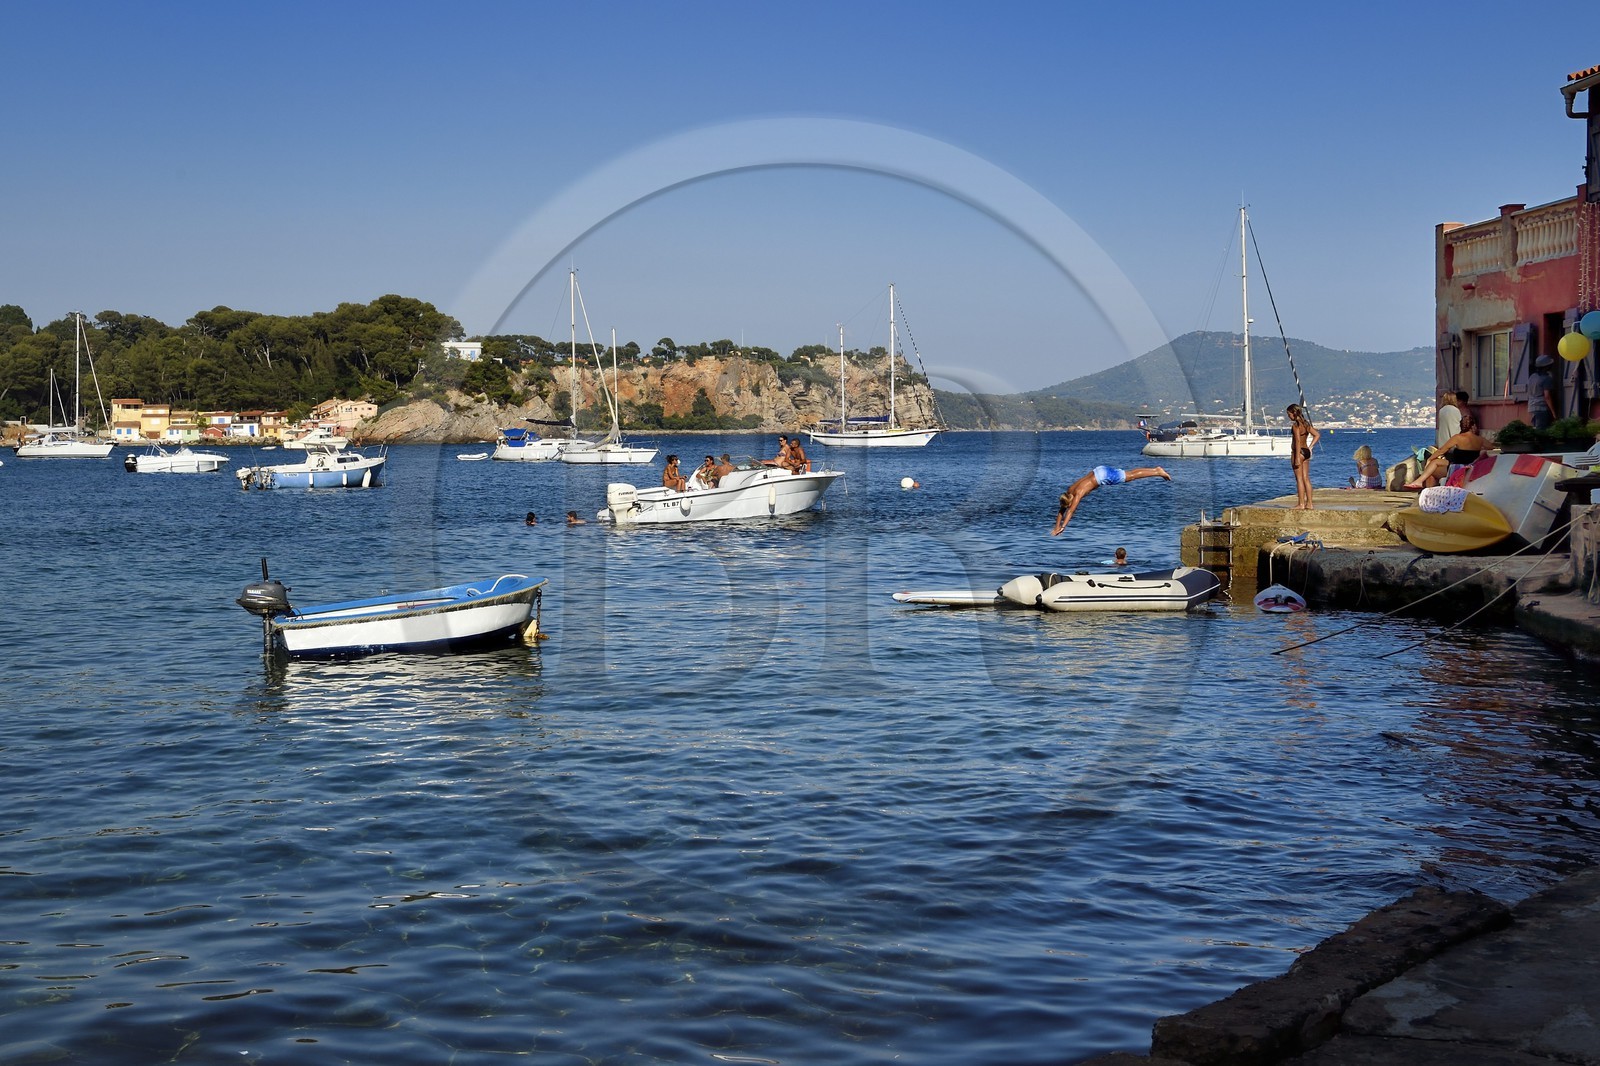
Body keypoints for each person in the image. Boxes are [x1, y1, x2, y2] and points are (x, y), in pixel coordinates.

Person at [1051, 464, 1171, 536]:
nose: (1071, 506)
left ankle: (1157, 471)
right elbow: (1062, 511)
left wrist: (1063, 527)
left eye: (1070, 505)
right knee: (1129, 474)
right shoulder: (1069, 492)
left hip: (1103, 476)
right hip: (1098, 470)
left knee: (1131, 476)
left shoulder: (1078, 493)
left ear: (1071, 501)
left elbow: (1070, 511)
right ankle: (1156, 470)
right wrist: (1056, 526)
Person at [1404, 414, 1494, 489]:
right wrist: (1481, 450)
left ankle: (1423, 486)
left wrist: (1429, 459)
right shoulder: (1479, 439)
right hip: (1470, 466)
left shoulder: (1458, 437)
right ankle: (1421, 483)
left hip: (1458, 468)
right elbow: (1491, 447)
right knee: (1435, 463)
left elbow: (1441, 450)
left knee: (1431, 471)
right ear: (1473, 426)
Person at [1287, 403, 1320, 510]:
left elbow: (1297, 441)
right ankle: (1309, 503)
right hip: (1306, 451)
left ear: (1293, 413)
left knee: (1299, 479)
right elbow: (1317, 435)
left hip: (1299, 452)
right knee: (1306, 478)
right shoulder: (1306, 424)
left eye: (1289, 414)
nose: (1289, 416)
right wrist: (1310, 447)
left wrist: (1296, 457)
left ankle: (1301, 504)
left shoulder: (1296, 426)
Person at [1527, 355, 1557, 431]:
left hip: (1531, 408)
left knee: (1536, 430)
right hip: (1541, 408)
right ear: (1546, 367)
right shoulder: (1546, 379)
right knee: (1541, 432)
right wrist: (1553, 412)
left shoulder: (1532, 377)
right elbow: (1547, 396)